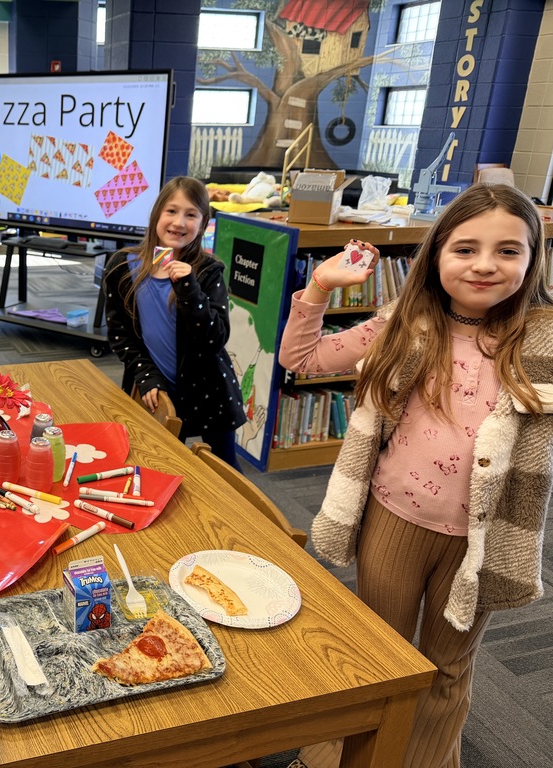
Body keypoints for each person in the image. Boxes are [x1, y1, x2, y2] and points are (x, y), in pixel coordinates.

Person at [278, 183, 553, 768]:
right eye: (466, 248)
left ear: (534, 259)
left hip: (483, 537)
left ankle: (426, 758)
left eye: (508, 250)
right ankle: (348, 752)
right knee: (380, 653)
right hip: (394, 520)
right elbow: (301, 360)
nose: (484, 265)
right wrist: (320, 286)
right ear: (437, 255)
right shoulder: (402, 324)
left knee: (449, 665)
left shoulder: (542, 340)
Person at [103, 176, 246, 466]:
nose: (179, 222)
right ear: (156, 214)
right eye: (171, 211)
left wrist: (189, 289)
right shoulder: (121, 266)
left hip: (209, 391)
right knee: (161, 464)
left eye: (190, 214)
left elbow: (214, 338)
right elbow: (121, 335)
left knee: (225, 475)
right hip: (157, 388)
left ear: (203, 222)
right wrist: (145, 374)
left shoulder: (207, 271)